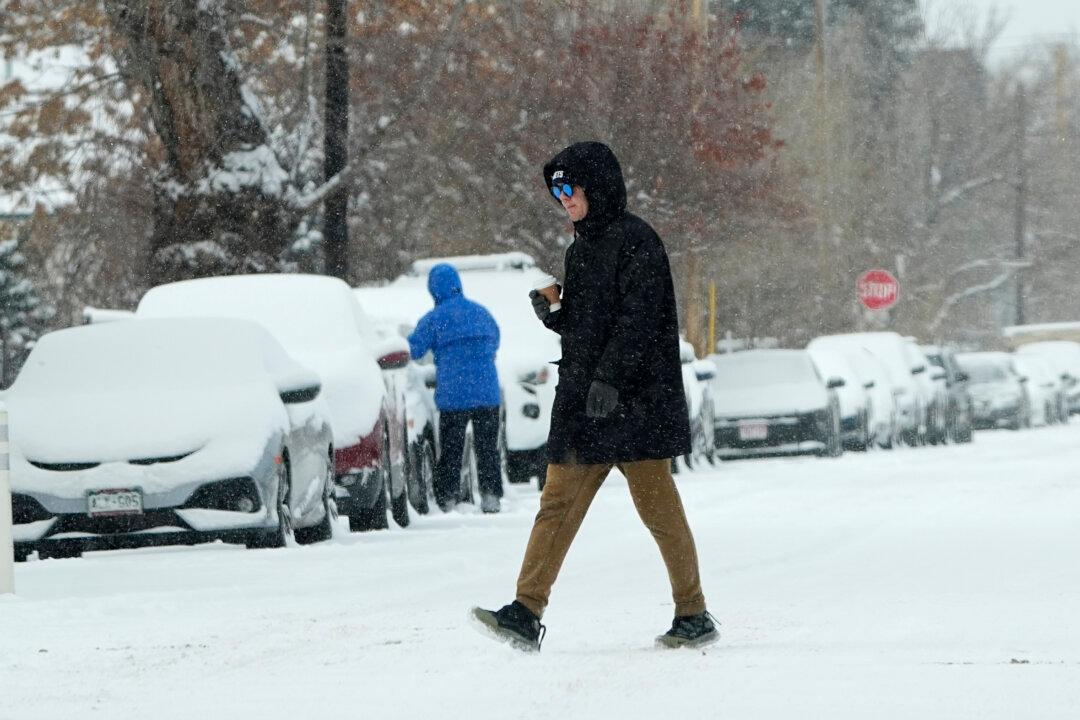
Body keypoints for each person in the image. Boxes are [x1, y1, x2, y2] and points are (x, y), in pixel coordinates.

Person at [471, 141, 717, 650]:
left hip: (636, 405)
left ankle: (693, 613)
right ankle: (525, 611)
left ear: (597, 187)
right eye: (556, 190)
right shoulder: (580, 249)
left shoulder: (637, 242)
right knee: (556, 504)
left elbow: (639, 322)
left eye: (570, 187)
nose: (563, 198)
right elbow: (590, 327)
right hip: (587, 405)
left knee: (658, 511)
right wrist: (557, 316)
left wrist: (610, 378)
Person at [408, 263, 503, 513]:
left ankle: (447, 498)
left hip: (454, 395)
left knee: (451, 450)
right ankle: (491, 496)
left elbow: (414, 350)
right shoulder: (481, 312)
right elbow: (495, 339)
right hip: (487, 393)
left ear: (434, 290)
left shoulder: (434, 319)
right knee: (487, 448)